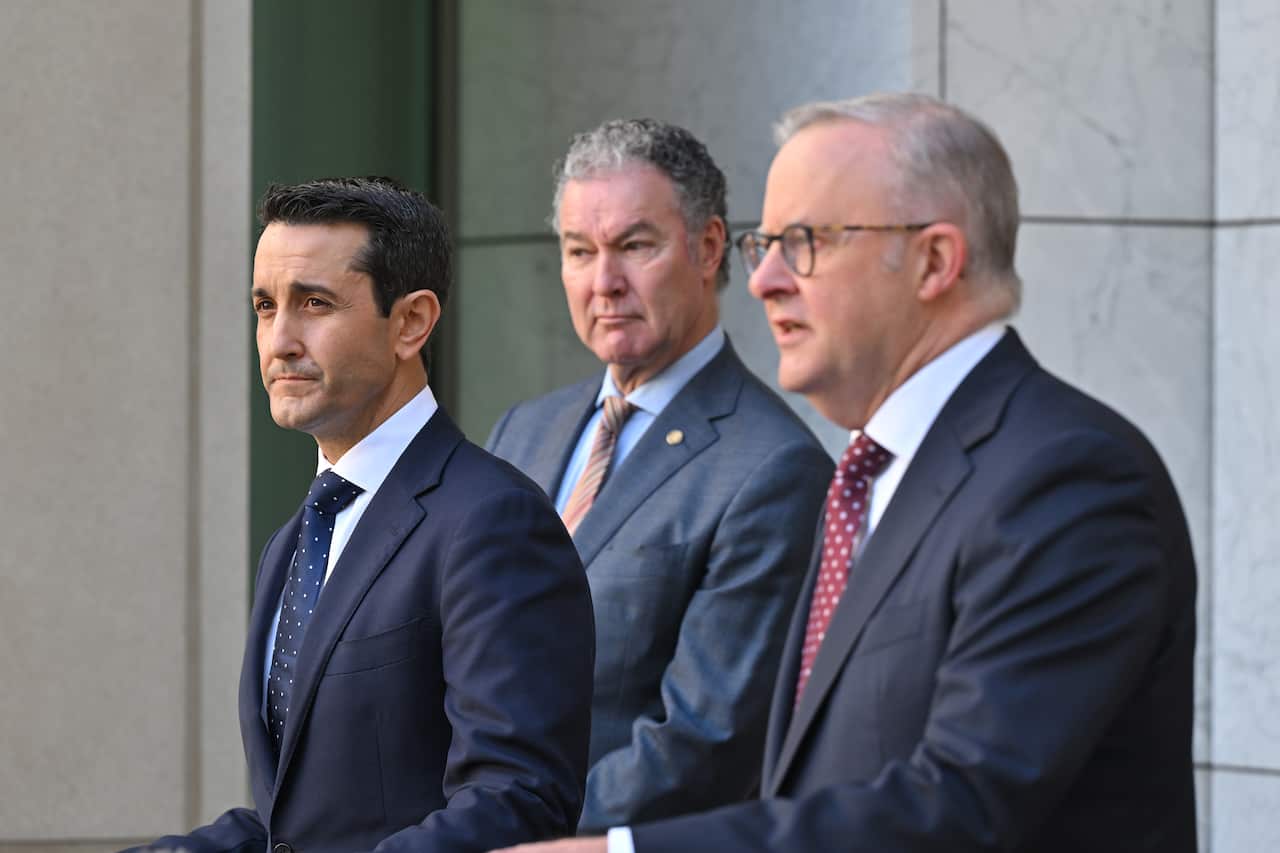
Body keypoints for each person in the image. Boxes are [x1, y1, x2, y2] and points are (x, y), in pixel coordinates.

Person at [494, 93, 1197, 853]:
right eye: (766, 242)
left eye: (806, 241)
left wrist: (619, 850)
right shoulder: (869, 474)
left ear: (933, 260)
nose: (762, 280)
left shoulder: (1067, 478)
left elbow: (962, 803)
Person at [130, 177, 595, 853]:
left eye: (314, 303)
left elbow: (517, 802)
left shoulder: (494, 522)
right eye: (264, 306)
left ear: (411, 322)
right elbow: (294, 822)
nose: (280, 339)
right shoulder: (296, 539)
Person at [486, 119, 832, 831]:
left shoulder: (774, 469)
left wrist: (506, 834)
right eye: (579, 251)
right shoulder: (522, 431)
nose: (604, 282)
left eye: (634, 246)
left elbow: (703, 743)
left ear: (708, 249)